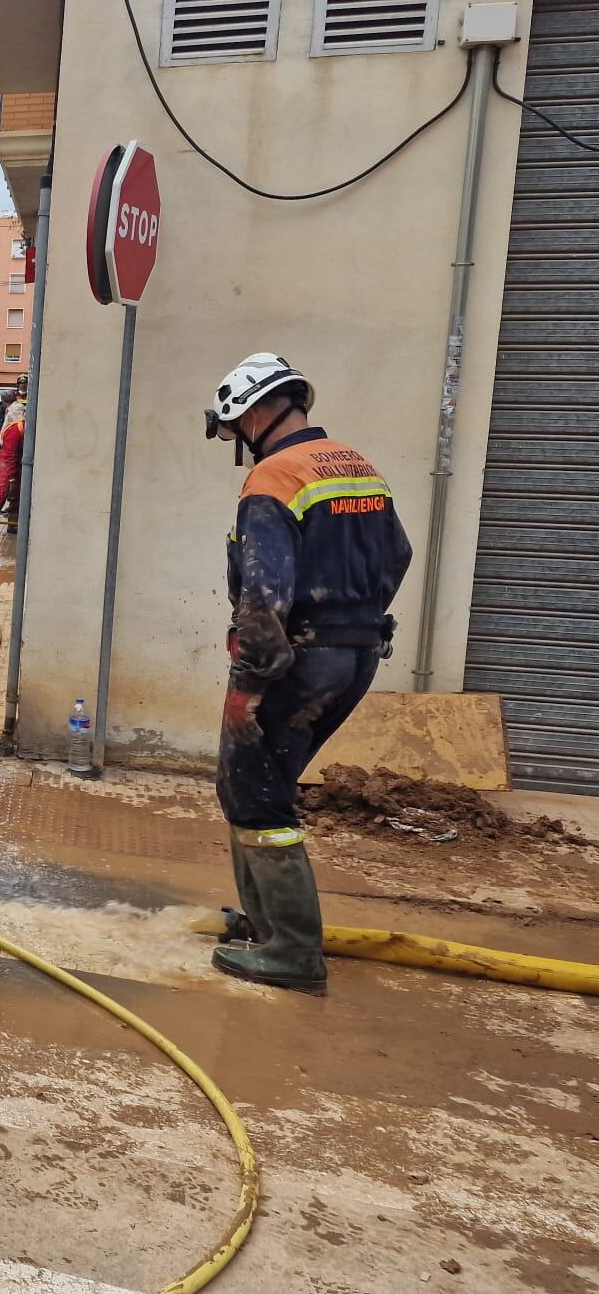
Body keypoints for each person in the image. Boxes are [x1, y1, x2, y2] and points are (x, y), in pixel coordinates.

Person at [205, 353, 412, 993]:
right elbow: (398, 555)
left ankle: (291, 951)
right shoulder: (358, 466)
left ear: (255, 412)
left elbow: (263, 599)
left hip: (295, 658)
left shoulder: (274, 479)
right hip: (356, 654)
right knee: (268, 783)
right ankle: (265, 927)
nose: (238, 441)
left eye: (235, 426)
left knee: (252, 790)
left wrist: (249, 683)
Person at [0, 399, 25, 526]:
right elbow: (10, 455)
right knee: (3, 490)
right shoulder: (15, 430)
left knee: (17, 493)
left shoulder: (19, 427)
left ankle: (12, 524)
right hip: (8, 460)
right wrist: (12, 478)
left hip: (16, 459)